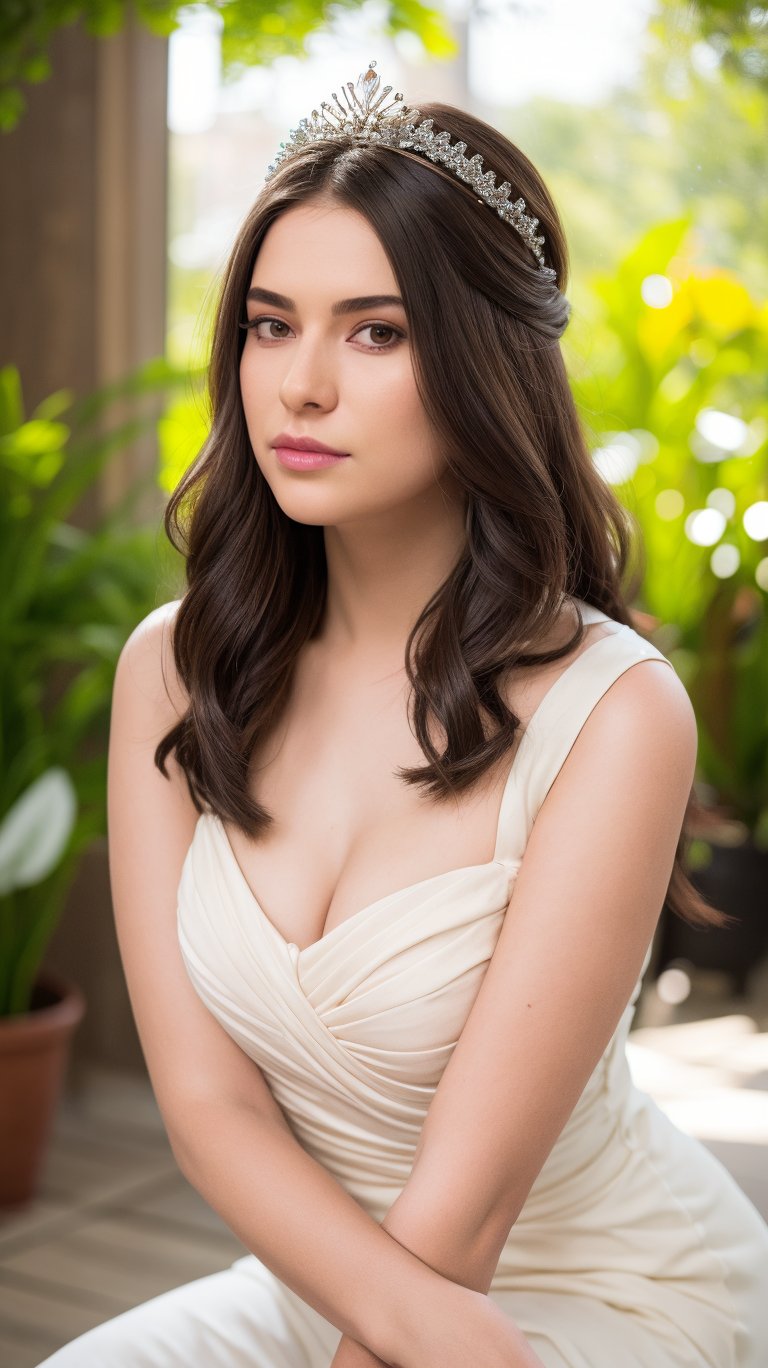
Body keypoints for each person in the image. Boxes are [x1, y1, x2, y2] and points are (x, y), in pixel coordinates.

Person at [38, 58, 768, 1368]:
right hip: (333, 1281)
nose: (300, 385)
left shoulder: (611, 711)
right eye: (270, 324)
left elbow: (474, 1207)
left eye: (376, 332)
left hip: (600, 1290)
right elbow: (209, 1114)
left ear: (482, 361)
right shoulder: (174, 667)